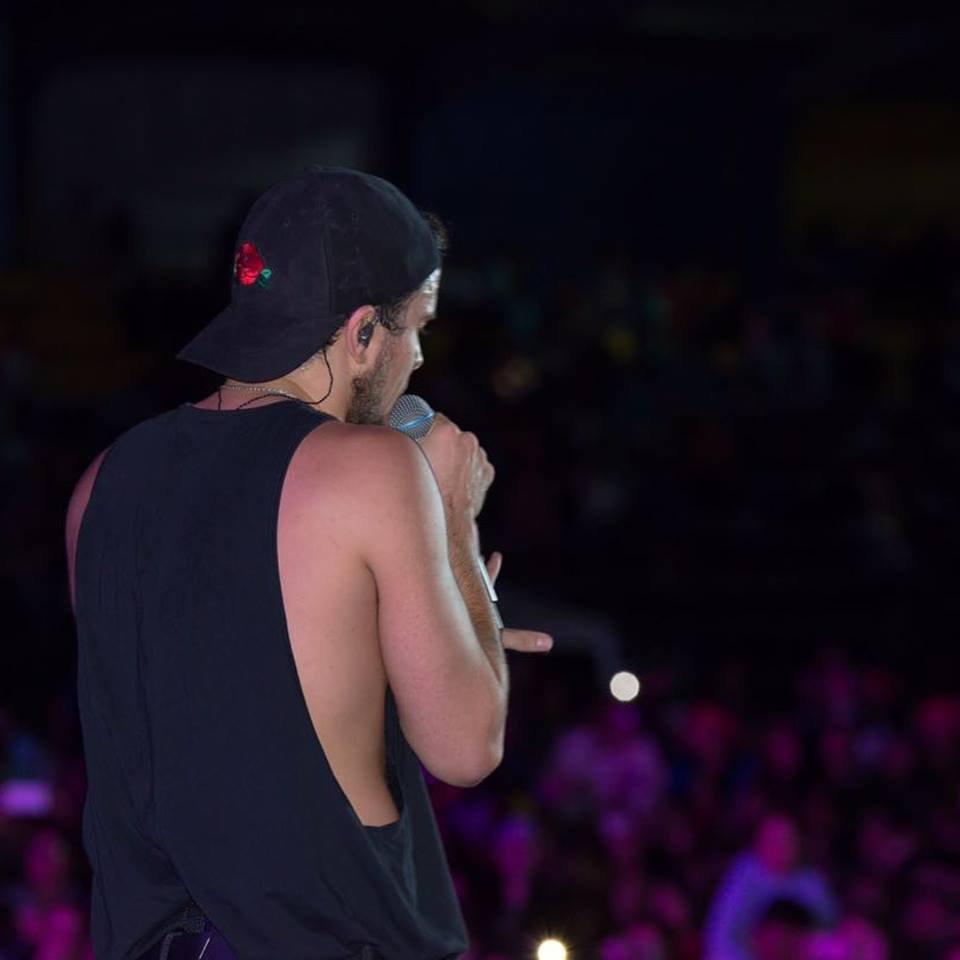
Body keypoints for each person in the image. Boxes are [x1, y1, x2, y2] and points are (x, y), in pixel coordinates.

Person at [63, 166, 554, 960]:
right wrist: (455, 525)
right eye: (414, 328)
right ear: (361, 335)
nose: (417, 359)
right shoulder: (374, 470)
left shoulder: (100, 484)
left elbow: (237, 713)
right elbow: (466, 748)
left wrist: (424, 630)